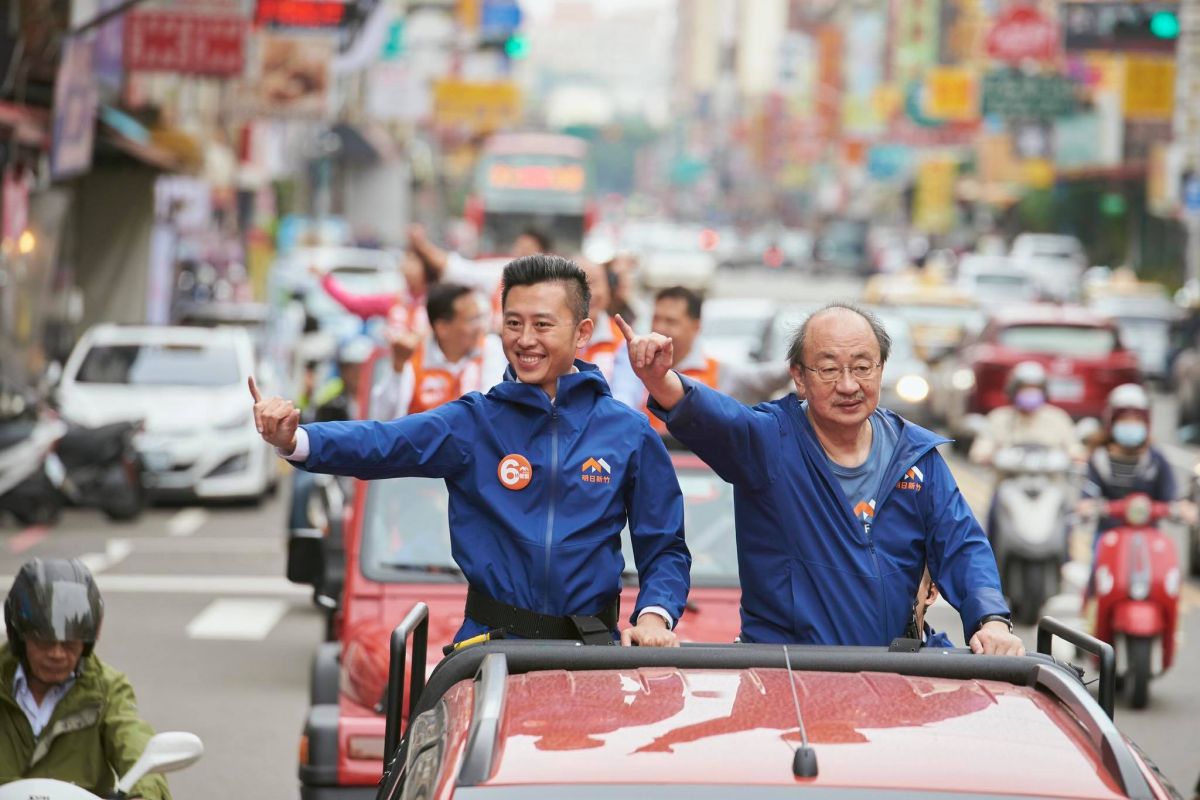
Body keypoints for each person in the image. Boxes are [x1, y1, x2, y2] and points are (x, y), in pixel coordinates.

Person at [251, 255, 691, 647]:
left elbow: (665, 545)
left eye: (542, 324)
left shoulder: (627, 432)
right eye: (513, 323)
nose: (524, 339)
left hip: (591, 654)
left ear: (582, 334)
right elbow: (383, 442)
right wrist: (294, 439)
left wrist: (654, 616)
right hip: (489, 651)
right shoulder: (475, 422)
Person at [617, 301, 1023, 654]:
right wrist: (659, 379)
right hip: (789, 679)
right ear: (799, 376)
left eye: (862, 367)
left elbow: (962, 545)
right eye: (829, 369)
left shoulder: (915, 455)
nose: (848, 385)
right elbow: (715, 416)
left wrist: (990, 620)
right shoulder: (769, 440)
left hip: (894, 676)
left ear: (881, 368)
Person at [1, 559, 170, 800]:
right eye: (44, 641)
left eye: (70, 643)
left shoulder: (108, 689)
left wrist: (145, 793)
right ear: (20, 637)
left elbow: (135, 743)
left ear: (87, 643)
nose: (57, 653)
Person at [616, 286, 792, 431]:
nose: (660, 327)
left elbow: (766, 378)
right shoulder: (636, 366)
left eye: (671, 321)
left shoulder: (720, 372)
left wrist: (800, 361)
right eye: (656, 319)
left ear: (696, 326)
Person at [969, 361, 1084, 540]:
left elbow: (1074, 447)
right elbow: (981, 448)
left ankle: (1063, 556)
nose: (1030, 394)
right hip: (1009, 487)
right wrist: (988, 455)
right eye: (1025, 388)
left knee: (1066, 516)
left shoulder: (1057, 418)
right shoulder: (999, 419)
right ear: (1013, 391)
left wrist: (1075, 455)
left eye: (1035, 388)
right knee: (993, 514)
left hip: (1050, 487)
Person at [369, 282, 507, 420]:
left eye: (481, 317)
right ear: (442, 328)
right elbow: (384, 418)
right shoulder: (413, 355)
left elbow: (491, 410)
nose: (481, 326)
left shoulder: (490, 346)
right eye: (472, 320)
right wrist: (398, 366)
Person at [1079, 383, 1197, 532]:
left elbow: (1171, 498)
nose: (1130, 426)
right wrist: (1088, 507)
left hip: (1149, 536)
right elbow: (1088, 495)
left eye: (1136, 421)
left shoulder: (1154, 460)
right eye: (1125, 421)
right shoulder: (1100, 460)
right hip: (1109, 536)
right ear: (1112, 423)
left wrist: (1183, 509)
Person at [309, 248, 432, 334]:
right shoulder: (395, 301)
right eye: (407, 260)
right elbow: (353, 304)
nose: (407, 267)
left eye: (414, 261)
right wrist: (325, 279)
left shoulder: (436, 301)